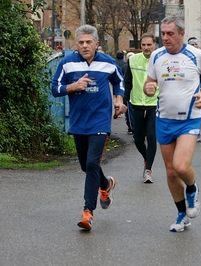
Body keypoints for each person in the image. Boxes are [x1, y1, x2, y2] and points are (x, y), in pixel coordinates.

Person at [143, 15, 201, 232]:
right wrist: (148, 88)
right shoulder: (156, 56)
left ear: (181, 33)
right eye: (163, 34)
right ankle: (181, 215)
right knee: (170, 172)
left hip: (189, 119)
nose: (165, 38)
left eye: (170, 34)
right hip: (164, 119)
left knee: (181, 166)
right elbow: (150, 83)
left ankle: (192, 188)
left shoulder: (196, 55)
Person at [51, 24, 127, 231]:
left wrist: (119, 100)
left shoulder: (108, 63)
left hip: (100, 121)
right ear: (76, 44)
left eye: (88, 42)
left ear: (96, 43)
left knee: (92, 163)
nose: (85, 46)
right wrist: (72, 87)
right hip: (78, 122)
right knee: (86, 166)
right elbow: (55, 88)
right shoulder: (67, 64)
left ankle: (87, 212)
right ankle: (106, 184)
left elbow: (119, 81)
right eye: (81, 42)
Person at [124, 33, 158, 183]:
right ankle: (146, 158)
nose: (146, 48)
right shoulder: (132, 60)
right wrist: (123, 102)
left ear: (154, 45)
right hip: (136, 104)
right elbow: (127, 83)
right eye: (143, 45)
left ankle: (148, 170)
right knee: (138, 139)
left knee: (151, 136)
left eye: (149, 45)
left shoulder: (160, 61)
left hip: (154, 105)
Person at [187, 36, 201, 143]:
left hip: (197, 89)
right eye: (192, 44)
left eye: (195, 44)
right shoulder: (183, 56)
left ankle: (197, 132)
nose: (194, 46)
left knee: (196, 110)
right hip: (185, 89)